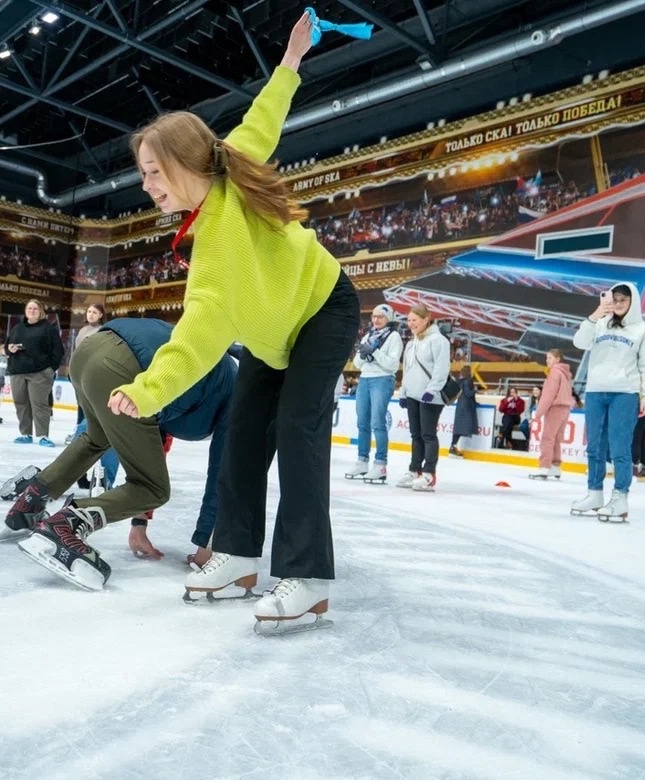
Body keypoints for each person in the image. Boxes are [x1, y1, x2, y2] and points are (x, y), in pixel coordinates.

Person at [103, 13, 360, 629]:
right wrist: (292, 59)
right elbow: (261, 118)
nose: (148, 187)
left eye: (155, 173)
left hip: (324, 309)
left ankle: (308, 577)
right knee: (243, 433)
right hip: (275, 342)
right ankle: (239, 554)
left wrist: (148, 390)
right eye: (144, 175)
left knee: (298, 431)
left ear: (188, 164)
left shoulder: (225, 212)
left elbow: (196, 337)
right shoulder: (216, 203)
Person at [0, 318, 236, 589]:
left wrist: (139, 525)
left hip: (88, 353)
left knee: (97, 437)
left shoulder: (214, 366)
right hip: (125, 367)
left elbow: (152, 444)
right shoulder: (237, 395)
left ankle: (30, 503)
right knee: (154, 488)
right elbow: (222, 474)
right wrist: (205, 544)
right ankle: (64, 525)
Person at [570, 283, 645, 521]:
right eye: (616, 299)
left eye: (624, 300)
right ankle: (594, 493)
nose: (619, 304)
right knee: (594, 447)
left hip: (625, 393)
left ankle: (620, 496)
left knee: (620, 447)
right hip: (595, 391)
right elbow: (579, 342)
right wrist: (594, 315)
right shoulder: (599, 324)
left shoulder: (643, 330)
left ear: (633, 303)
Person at [396, 304, 451, 491]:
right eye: (409, 320)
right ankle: (415, 470)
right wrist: (403, 392)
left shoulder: (439, 341)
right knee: (415, 435)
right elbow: (407, 370)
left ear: (426, 319)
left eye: (415, 320)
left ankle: (429, 473)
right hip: (412, 394)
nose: (411, 324)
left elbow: (441, 368)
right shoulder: (411, 343)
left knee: (428, 434)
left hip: (429, 396)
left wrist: (432, 389)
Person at [346, 304, 403, 483]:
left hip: (382, 380)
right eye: (374, 316)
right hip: (365, 379)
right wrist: (363, 355)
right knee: (362, 422)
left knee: (377, 422)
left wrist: (375, 352)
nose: (376, 320)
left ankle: (380, 464)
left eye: (381, 317)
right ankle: (362, 461)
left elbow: (392, 365)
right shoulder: (368, 336)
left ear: (389, 319)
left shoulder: (394, 337)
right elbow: (357, 363)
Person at [6, 299, 64, 446]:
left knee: (39, 404)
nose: (31, 311)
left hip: (39, 373)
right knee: (21, 404)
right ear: (25, 311)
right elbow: (7, 345)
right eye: (29, 308)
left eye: (35, 309)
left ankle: (43, 435)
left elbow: (58, 351)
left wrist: (50, 370)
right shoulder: (17, 328)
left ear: (40, 312)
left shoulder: (48, 329)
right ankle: (26, 434)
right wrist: (9, 349)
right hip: (17, 371)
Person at [531, 349, 574, 479]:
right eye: (547, 358)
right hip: (565, 408)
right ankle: (555, 467)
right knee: (556, 439)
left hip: (555, 408)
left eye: (549, 358)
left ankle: (544, 467)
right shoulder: (565, 374)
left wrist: (538, 413)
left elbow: (548, 396)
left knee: (547, 438)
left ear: (558, 359)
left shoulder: (555, 373)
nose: (547, 361)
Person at [68, 303, 106, 444]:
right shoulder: (83, 330)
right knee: (81, 403)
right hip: (78, 369)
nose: (90, 314)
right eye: (89, 311)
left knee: (89, 403)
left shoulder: (102, 330)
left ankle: (88, 431)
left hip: (91, 371)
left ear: (101, 315)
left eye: (94, 312)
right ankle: (79, 429)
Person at [449, 365, 478, 457]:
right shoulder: (466, 381)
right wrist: (475, 390)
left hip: (460, 406)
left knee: (459, 428)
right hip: (466, 407)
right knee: (463, 427)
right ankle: (453, 447)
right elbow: (468, 394)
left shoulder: (459, 381)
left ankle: (453, 446)